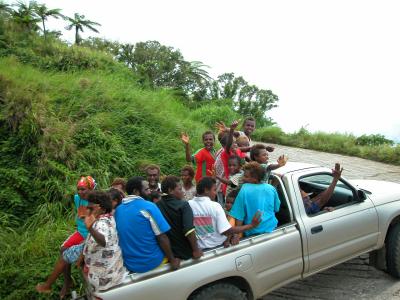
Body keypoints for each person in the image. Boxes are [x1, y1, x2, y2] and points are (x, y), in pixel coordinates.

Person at [36, 176, 96, 298]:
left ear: (91, 189)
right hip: (81, 231)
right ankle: (67, 281)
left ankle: (59, 284)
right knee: (63, 249)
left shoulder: (96, 202)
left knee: (67, 254)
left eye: (84, 189)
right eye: (78, 189)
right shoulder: (77, 198)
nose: (80, 192)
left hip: (91, 234)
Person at [115, 176, 180, 273]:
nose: (150, 192)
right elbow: (162, 237)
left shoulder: (118, 210)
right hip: (151, 262)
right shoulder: (148, 206)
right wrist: (172, 260)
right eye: (146, 189)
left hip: (130, 264)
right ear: (136, 191)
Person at [189, 177, 262, 250]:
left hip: (198, 248)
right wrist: (251, 225)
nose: (216, 193)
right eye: (214, 190)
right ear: (206, 190)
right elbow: (227, 231)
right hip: (217, 248)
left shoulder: (188, 205)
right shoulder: (215, 206)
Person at [82, 191, 126, 292]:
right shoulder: (107, 217)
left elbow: (103, 241)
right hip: (109, 270)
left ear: (102, 208)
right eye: (87, 207)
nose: (87, 210)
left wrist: (90, 228)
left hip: (105, 277)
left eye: (91, 208)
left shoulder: (102, 223)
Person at [156, 176, 203, 260]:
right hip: (185, 253)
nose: (183, 192)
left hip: (168, 254)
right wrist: (196, 250)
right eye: (180, 189)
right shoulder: (183, 205)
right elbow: (189, 230)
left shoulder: (156, 205)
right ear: (170, 190)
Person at [229, 162, 280, 236]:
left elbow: (238, 215)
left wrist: (237, 235)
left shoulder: (244, 189)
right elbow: (276, 208)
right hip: (272, 229)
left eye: (246, 176)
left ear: (255, 179)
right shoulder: (271, 188)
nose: (243, 178)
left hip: (252, 232)